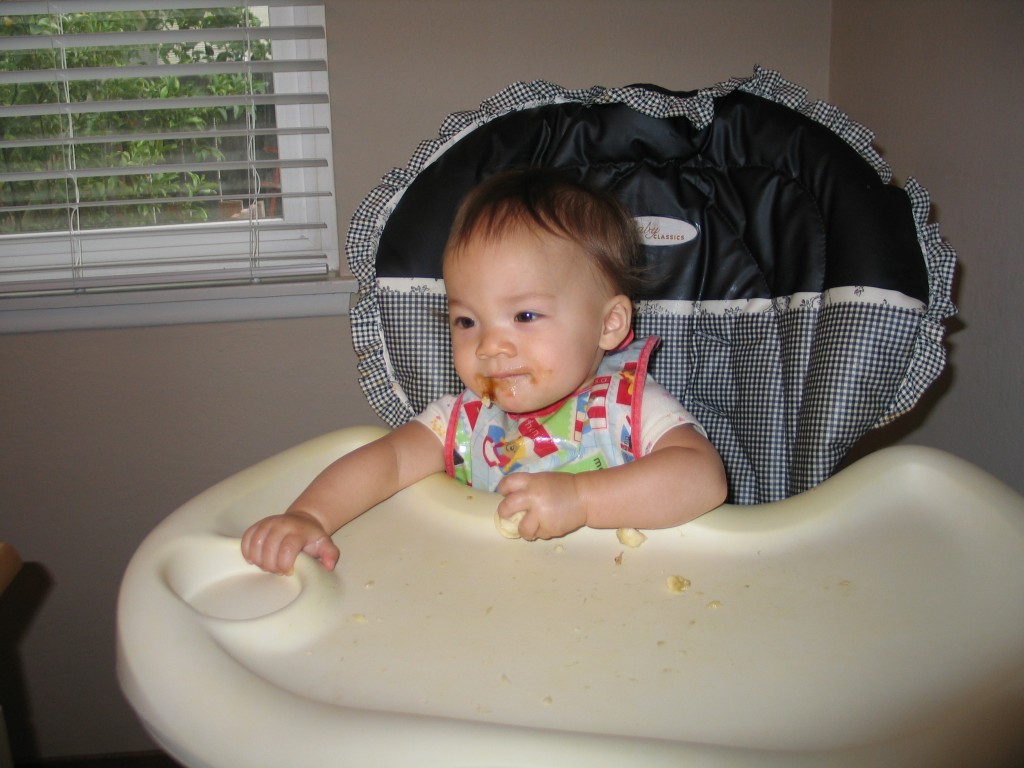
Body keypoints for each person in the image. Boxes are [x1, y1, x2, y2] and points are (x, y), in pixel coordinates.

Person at [242, 168, 728, 575]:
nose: (490, 345)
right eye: (467, 321)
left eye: (525, 315)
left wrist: (583, 499)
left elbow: (703, 478)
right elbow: (388, 460)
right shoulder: (466, 421)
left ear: (609, 323)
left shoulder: (627, 409)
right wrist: (310, 515)